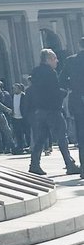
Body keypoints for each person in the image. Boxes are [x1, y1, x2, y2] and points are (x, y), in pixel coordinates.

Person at [28, 48, 79, 177]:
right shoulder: (50, 73)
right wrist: (64, 92)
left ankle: (34, 164)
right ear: (49, 59)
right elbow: (54, 92)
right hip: (52, 110)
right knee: (62, 137)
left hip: (40, 111)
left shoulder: (35, 73)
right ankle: (69, 164)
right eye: (55, 58)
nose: (57, 60)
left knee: (40, 138)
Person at [60, 38, 84, 157]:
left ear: (79, 46)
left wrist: (72, 86)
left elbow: (62, 80)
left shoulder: (71, 61)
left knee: (81, 132)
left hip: (78, 99)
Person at [10, 83, 29, 153]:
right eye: (13, 88)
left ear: (19, 89)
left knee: (27, 132)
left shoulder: (24, 96)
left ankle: (28, 145)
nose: (14, 90)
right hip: (15, 117)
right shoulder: (12, 96)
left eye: (15, 88)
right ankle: (20, 146)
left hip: (23, 117)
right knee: (18, 133)